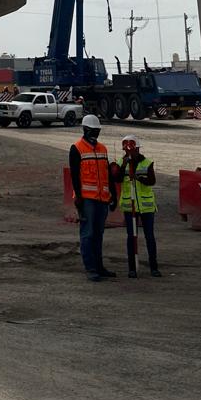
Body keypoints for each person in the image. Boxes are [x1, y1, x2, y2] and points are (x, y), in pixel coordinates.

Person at [69, 114, 117, 282]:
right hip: (87, 199)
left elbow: (107, 175)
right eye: (92, 130)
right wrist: (79, 197)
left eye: (97, 131)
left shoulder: (103, 149)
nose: (95, 133)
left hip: (102, 199)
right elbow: (74, 175)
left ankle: (99, 266)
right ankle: (91, 268)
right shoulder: (77, 148)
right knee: (87, 234)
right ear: (85, 129)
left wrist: (113, 194)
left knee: (98, 234)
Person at [114, 136, 162, 278]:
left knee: (149, 237)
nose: (130, 153)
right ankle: (132, 268)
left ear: (138, 149)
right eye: (127, 151)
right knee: (131, 237)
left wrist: (138, 177)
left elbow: (152, 181)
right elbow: (117, 179)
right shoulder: (121, 162)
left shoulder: (146, 163)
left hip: (146, 206)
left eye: (132, 151)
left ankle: (154, 267)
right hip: (130, 206)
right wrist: (123, 165)